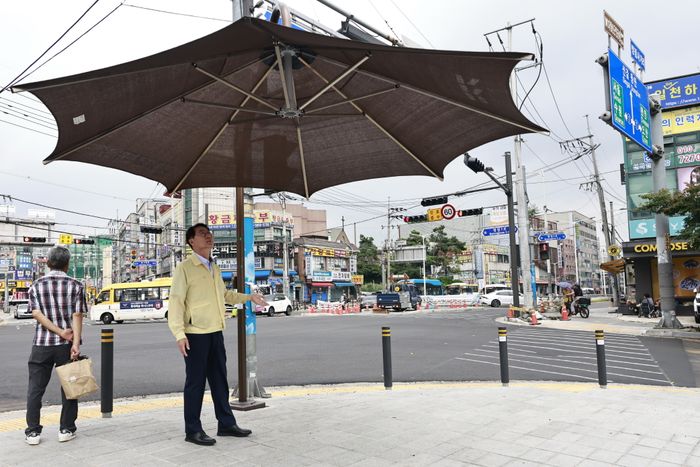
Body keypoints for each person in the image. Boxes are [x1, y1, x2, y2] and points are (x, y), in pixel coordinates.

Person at [168, 223, 267, 446]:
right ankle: (193, 430)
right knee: (195, 383)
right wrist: (179, 333)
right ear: (191, 241)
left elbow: (225, 295)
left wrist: (249, 298)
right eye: (202, 234)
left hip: (215, 332)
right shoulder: (185, 268)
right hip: (195, 334)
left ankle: (226, 424)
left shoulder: (214, 267)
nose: (208, 236)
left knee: (220, 381)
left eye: (209, 233)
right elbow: (176, 301)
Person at [25, 246, 87, 446]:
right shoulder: (76, 285)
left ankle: (32, 432)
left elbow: (36, 313)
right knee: (70, 387)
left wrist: (58, 331)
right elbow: (77, 315)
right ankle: (66, 429)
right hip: (66, 346)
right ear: (67, 264)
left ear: (48, 263)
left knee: (35, 389)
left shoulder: (36, 285)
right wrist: (74, 342)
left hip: (41, 344)